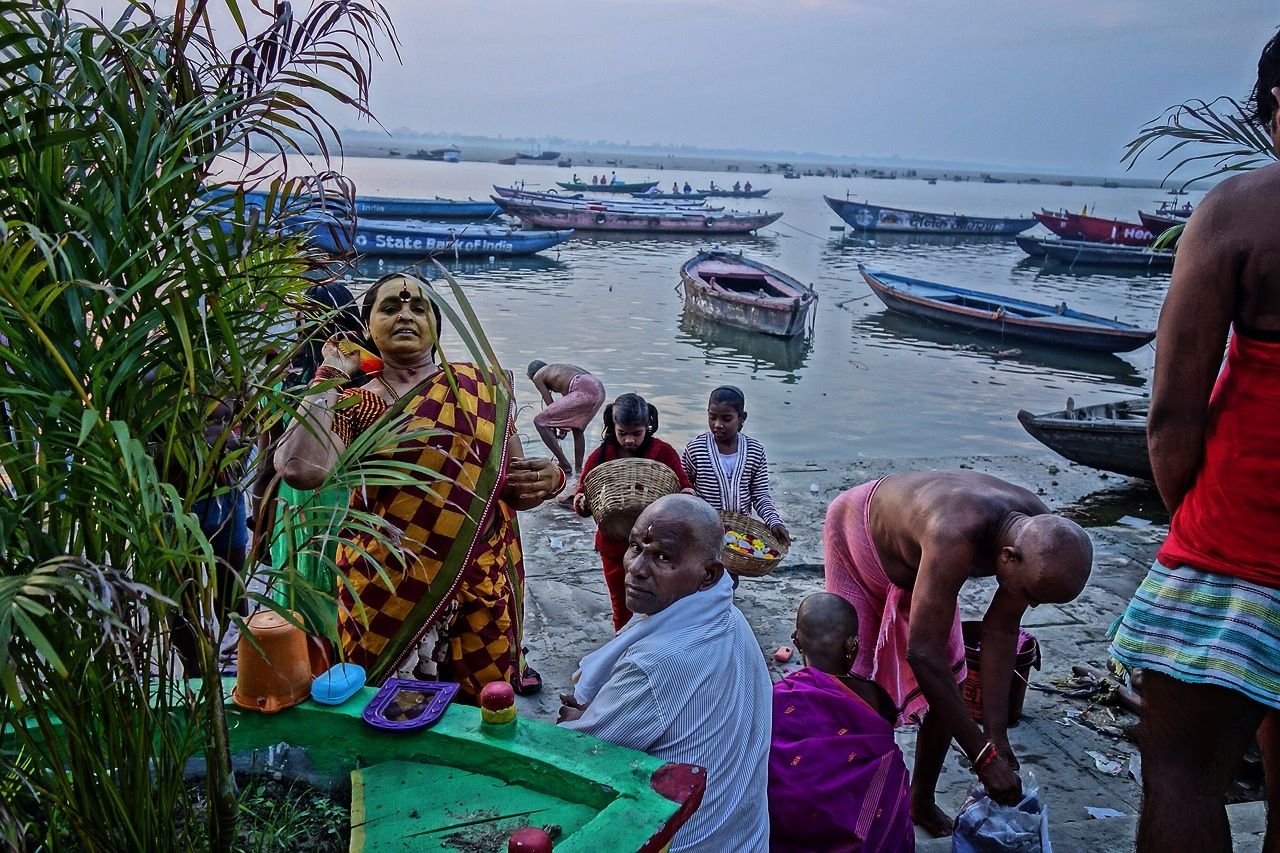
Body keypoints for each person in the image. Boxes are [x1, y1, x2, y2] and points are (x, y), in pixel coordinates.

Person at [1110, 32, 1280, 853]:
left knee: (1180, 769)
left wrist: (1192, 524)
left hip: (1242, 544)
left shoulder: (1242, 211)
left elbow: (1171, 420)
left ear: (1276, 109)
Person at [274, 273, 563, 699]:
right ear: (367, 327)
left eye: (418, 307)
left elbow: (511, 481)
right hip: (386, 584)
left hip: (477, 578)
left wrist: (549, 478)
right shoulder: (358, 401)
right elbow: (302, 468)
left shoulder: (479, 389)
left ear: (436, 326)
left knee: (480, 708)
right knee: (388, 705)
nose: (405, 314)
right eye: (389, 308)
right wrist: (331, 374)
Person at [823, 470, 1093, 836]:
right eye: (1030, 595)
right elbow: (922, 653)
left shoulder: (1039, 531)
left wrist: (995, 737)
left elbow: (1001, 629)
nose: (1027, 604)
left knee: (954, 677)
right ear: (1008, 558)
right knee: (852, 679)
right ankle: (845, 801)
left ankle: (920, 802)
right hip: (860, 529)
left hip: (922, 559)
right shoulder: (955, 535)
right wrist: (981, 756)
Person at [558, 494, 771, 852]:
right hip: (746, 836)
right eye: (635, 547)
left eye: (663, 557)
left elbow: (576, 758)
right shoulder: (729, 618)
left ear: (708, 575)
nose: (636, 568)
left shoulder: (655, 663)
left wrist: (581, 718)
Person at [253, 282, 368, 637]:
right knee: (351, 599)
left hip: (297, 509)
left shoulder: (285, 384)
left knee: (299, 603)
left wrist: (260, 524)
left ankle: (308, 669)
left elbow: (265, 466)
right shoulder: (373, 384)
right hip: (353, 508)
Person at [769, 593, 913, 852]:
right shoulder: (875, 697)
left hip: (789, 823)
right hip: (860, 819)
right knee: (891, 766)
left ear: (796, 641)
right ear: (852, 644)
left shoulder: (779, 695)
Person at [573, 393, 692, 631]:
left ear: (648, 426)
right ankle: (623, 646)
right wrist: (582, 503)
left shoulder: (663, 452)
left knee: (657, 601)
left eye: (637, 433)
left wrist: (687, 496)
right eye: (622, 432)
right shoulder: (602, 455)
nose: (629, 440)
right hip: (614, 545)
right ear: (612, 427)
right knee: (622, 604)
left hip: (655, 545)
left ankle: (654, 643)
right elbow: (581, 493)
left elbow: (684, 484)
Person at [680, 386, 789, 586]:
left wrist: (774, 522)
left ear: (742, 418)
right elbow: (684, 487)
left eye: (726, 419)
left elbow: (760, 495)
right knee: (701, 577)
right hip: (704, 531)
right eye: (712, 417)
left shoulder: (755, 451)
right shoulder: (695, 449)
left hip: (737, 538)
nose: (717, 425)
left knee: (729, 581)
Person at [527, 360, 606, 476]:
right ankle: (579, 470)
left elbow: (549, 404)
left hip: (582, 388)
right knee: (577, 428)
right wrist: (562, 426)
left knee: (539, 421)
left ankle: (564, 464)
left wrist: (556, 426)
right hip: (599, 389)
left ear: (532, 374)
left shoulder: (538, 376)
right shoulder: (559, 370)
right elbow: (566, 408)